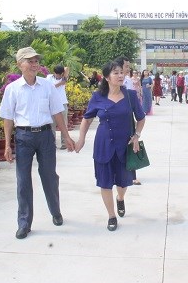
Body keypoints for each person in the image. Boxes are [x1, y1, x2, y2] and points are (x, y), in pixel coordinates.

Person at [0, 47, 76, 240]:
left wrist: (66, 136)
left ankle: (55, 212)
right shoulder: (12, 89)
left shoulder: (47, 86)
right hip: (23, 137)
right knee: (23, 180)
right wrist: (7, 145)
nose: (34, 65)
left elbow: (57, 112)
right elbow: (7, 118)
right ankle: (24, 223)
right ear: (19, 64)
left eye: (36, 61)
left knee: (49, 176)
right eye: (30, 61)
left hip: (45, 135)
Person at [75, 60, 146, 231]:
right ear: (107, 77)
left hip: (125, 145)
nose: (120, 75)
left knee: (123, 183)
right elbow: (87, 119)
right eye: (116, 73)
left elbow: (141, 118)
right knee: (105, 182)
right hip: (103, 145)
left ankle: (120, 198)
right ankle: (111, 216)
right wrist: (81, 139)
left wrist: (136, 135)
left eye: (122, 72)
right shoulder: (97, 97)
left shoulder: (130, 96)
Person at [116, 57, 141, 185]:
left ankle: (132, 175)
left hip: (128, 115)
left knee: (131, 144)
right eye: (126, 66)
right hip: (116, 115)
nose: (128, 69)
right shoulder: (113, 79)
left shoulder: (129, 80)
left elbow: (132, 97)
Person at [47, 65, 69, 150]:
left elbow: (67, 68)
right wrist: (61, 83)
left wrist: (63, 76)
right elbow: (50, 87)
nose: (58, 76)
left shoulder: (64, 78)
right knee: (51, 125)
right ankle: (53, 144)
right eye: (57, 74)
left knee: (64, 124)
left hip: (62, 103)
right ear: (54, 73)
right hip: (52, 104)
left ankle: (64, 143)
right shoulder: (49, 77)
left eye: (60, 74)